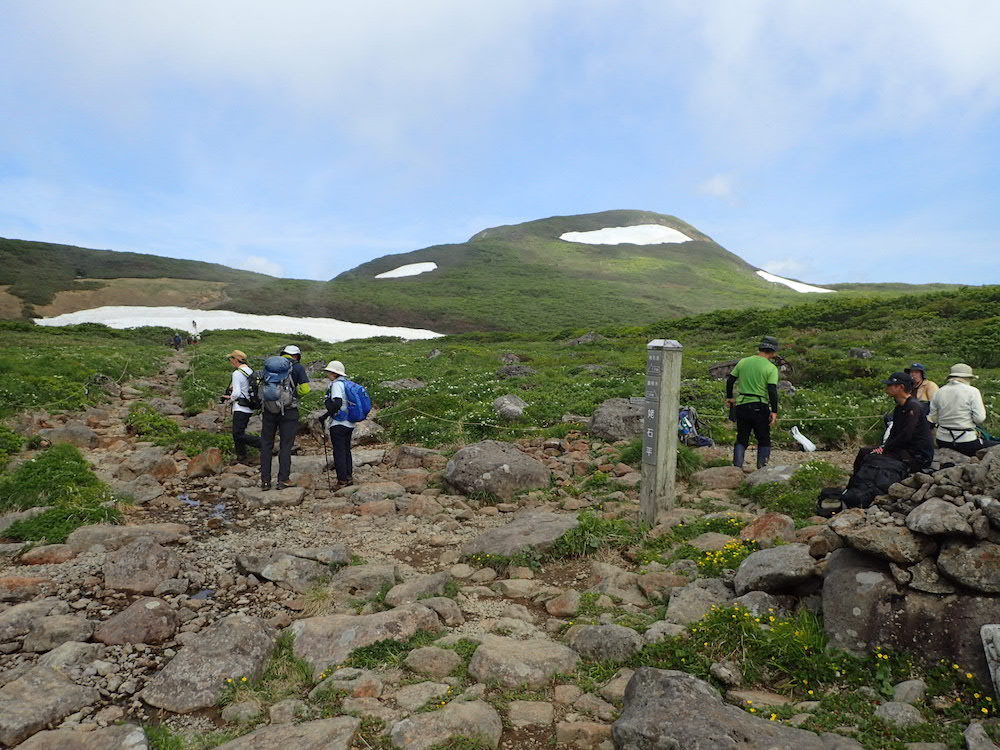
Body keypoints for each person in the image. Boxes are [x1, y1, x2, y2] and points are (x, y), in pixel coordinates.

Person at [854, 372, 934, 474]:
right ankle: (856, 483)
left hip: (917, 455)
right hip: (905, 449)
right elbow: (895, 432)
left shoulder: (913, 407)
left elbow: (906, 435)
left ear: (900, 387)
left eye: (890, 385)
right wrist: (884, 447)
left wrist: (886, 449)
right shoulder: (899, 408)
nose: (887, 388)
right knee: (864, 452)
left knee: (871, 457)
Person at [259, 344, 311, 490]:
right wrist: (294, 396)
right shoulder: (298, 367)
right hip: (289, 411)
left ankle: (265, 481)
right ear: (297, 356)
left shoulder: (269, 366)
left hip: (268, 410)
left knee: (266, 445)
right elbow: (306, 389)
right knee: (285, 446)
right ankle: (283, 480)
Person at [725, 336, 780, 470]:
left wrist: (730, 397)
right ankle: (762, 468)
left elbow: (730, 381)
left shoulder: (743, 362)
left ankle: (736, 468)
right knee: (763, 438)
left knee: (742, 438)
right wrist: (774, 411)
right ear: (772, 352)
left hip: (742, 404)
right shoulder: (771, 368)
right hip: (760, 405)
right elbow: (772, 390)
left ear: (760, 348)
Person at [928, 363, 987, 456]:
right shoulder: (973, 391)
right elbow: (979, 418)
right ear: (967, 378)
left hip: (943, 440)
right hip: (967, 441)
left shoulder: (939, 392)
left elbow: (933, 418)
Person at [221, 350, 261, 465]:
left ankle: (262, 443)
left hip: (240, 407)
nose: (230, 362)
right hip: (250, 406)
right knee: (238, 432)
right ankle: (242, 457)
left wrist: (230, 398)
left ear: (235, 360)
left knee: (237, 434)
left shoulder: (237, 373)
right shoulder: (249, 370)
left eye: (231, 359)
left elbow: (237, 393)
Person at [319, 360, 355, 486]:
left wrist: (324, 416)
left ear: (334, 373)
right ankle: (348, 477)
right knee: (346, 450)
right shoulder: (346, 383)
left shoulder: (336, 385)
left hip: (338, 423)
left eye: (329, 372)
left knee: (338, 451)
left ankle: (342, 480)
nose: (328, 374)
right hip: (349, 423)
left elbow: (337, 403)